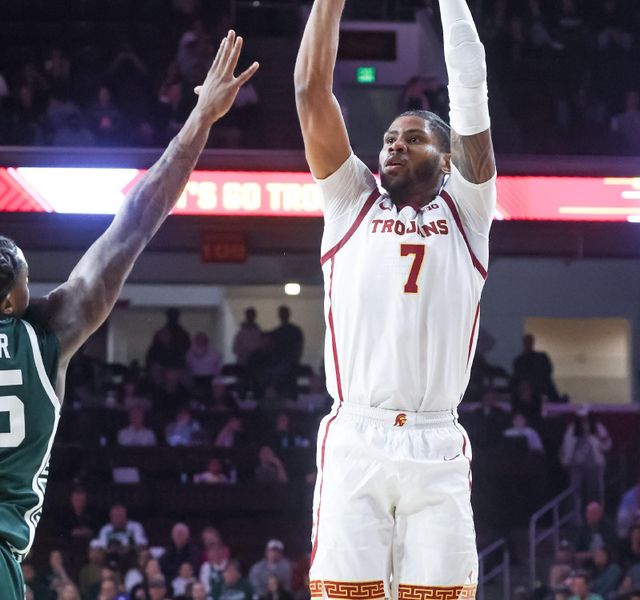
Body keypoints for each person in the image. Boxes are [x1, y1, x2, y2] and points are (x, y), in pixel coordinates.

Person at [0, 30, 257, 599]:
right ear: (10, 300)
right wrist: (200, 120)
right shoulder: (46, 332)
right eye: (26, 287)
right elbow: (136, 220)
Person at [295, 0, 495, 592]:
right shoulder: (350, 201)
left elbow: (471, 82)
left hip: (436, 439)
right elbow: (311, 91)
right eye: (388, 137)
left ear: (447, 156)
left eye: (412, 138)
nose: (394, 145)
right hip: (357, 436)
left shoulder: (468, 210)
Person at [559, 406, 612, 506]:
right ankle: (576, 518)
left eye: (585, 418)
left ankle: (595, 518)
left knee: (594, 493)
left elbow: (608, 444)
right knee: (575, 493)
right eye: (581, 418)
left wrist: (602, 446)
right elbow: (565, 447)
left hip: (594, 467)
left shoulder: (598, 428)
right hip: (576, 467)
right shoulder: (571, 429)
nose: (583, 421)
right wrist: (565, 462)